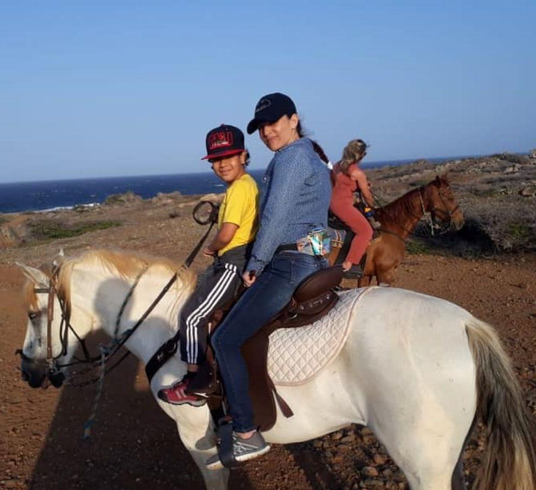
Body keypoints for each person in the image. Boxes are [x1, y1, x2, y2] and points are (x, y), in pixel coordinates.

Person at [205, 92, 332, 470]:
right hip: (312, 257)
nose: (267, 132)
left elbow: (275, 216)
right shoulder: (314, 155)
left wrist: (256, 262)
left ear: (293, 119)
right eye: (261, 127)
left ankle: (246, 433)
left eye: (274, 123)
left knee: (223, 338)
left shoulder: (291, 157)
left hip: (288, 263)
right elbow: (317, 219)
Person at [158, 124, 259, 407]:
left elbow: (227, 232)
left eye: (228, 157)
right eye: (216, 159)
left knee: (191, 317)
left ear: (243, 156)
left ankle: (196, 381)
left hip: (233, 264)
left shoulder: (240, 188)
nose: (222, 164)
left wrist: (211, 248)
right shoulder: (240, 187)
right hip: (229, 260)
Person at [329, 139, 375, 278]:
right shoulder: (357, 173)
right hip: (342, 205)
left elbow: (336, 185)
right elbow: (367, 195)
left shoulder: (337, 166)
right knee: (366, 231)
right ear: (360, 155)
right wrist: (372, 205)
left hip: (331, 203)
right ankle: (350, 263)